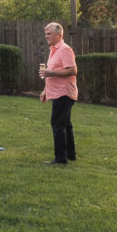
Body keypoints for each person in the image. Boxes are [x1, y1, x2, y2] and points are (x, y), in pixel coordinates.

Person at [39, 22, 78, 165]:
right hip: (58, 93)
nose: (46, 36)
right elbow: (52, 72)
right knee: (65, 124)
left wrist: (51, 72)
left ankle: (60, 159)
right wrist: (45, 90)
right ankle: (70, 155)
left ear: (58, 34)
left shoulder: (64, 49)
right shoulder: (54, 50)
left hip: (64, 93)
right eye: (46, 34)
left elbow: (72, 70)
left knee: (57, 124)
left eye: (49, 34)